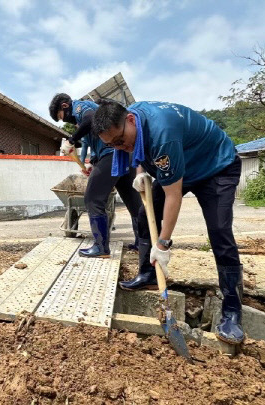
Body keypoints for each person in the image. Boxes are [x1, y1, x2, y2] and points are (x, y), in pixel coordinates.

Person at [92, 99, 244, 344]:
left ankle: (232, 311)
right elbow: (136, 147)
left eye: (119, 141)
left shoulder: (163, 136)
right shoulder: (133, 121)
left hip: (215, 167)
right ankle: (149, 275)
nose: (120, 148)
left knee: (219, 232)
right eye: (112, 145)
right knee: (144, 215)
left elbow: (174, 196)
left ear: (130, 120)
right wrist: (140, 172)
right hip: (181, 162)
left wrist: (162, 245)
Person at [49, 93, 141, 258]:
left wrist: (71, 140)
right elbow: (95, 140)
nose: (63, 121)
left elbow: (91, 119)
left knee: (92, 198)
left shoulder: (81, 107)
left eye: (61, 117)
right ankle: (142, 243)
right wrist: (92, 163)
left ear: (64, 106)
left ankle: (101, 247)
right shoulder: (82, 117)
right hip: (123, 155)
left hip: (112, 155)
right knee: (134, 203)